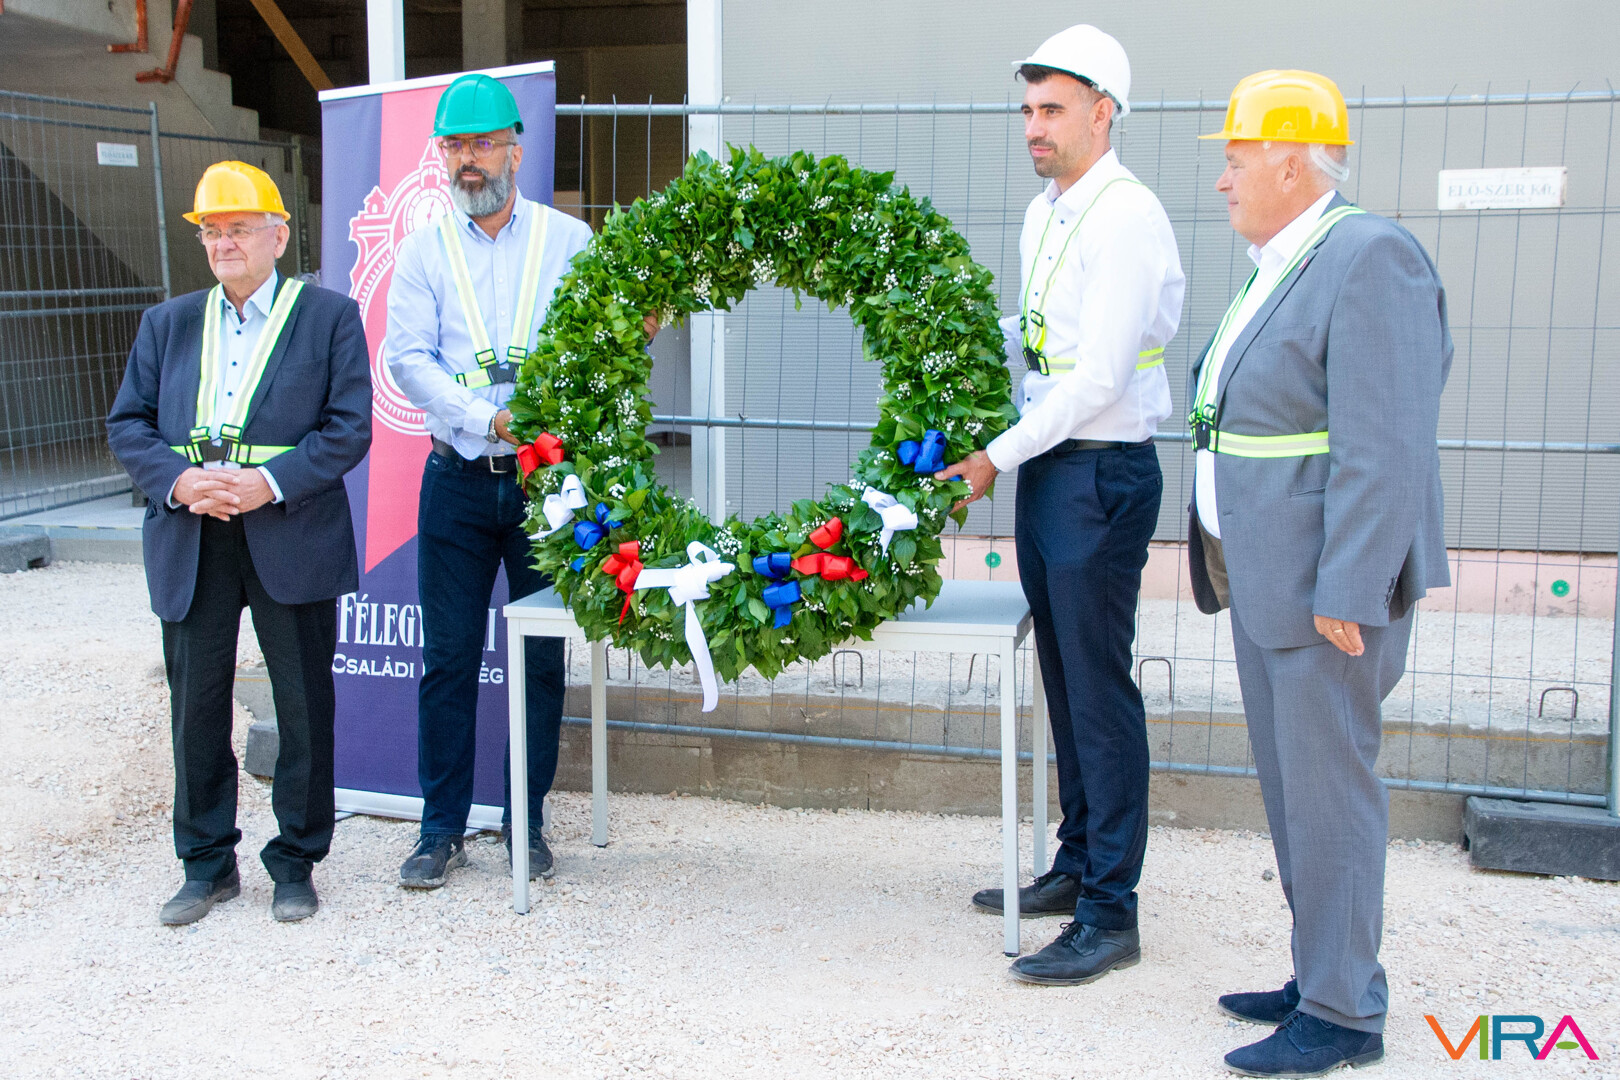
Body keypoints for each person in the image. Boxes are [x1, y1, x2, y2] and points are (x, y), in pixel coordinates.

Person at [1186, 71, 1452, 1077]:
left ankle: (1343, 1015)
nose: (1223, 180)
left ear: (1291, 163)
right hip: (1268, 581)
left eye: (1236, 160)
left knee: (1331, 795)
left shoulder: (1369, 256)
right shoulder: (1285, 260)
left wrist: (1352, 585)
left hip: (1322, 593)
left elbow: (1386, 443)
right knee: (1297, 791)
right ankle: (1321, 972)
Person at [939, 25, 1184, 986]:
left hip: (1100, 471)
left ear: (1102, 113)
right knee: (1065, 679)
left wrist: (992, 457)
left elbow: (1099, 377)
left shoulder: (1126, 217)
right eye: (1028, 110)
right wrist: (961, 336)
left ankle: (1111, 913)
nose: (1034, 127)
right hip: (1053, 467)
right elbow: (1044, 335)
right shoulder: (1048, 213)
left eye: (1052, 109)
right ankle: (1079, 865)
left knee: (1099, 689)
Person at [107, 161, 372, 924]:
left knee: (303, 705)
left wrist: (269, 483)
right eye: (212, 231)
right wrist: (180, 482)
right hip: (193, 534)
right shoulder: (167, 323)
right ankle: (206, 864)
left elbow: (349, 427)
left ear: (278, 236)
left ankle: (295, 861)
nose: (224, 243)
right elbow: (129, 424)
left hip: (290, 531)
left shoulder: (327, 317)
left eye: (240, 228)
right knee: (196, 706)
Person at [385, 73, 599, 888]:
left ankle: (524, 823)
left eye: (481, 144)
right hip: (458, 479)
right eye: (454, 147)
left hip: (547, 489)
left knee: (538, 660)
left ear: (516, 149)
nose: (467, 161)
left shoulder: (570, 241)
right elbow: (408, 358)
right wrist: (486, 418)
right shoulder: (422, 251)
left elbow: (599, 344)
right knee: (447, 657)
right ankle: (440, 829)